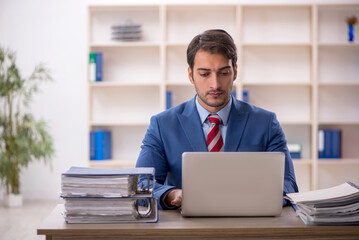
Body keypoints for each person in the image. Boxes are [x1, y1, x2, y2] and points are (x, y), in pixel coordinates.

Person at [136, 29, 298, 210]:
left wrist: (247, 196)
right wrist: (172, 194)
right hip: (186, 229)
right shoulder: (162, 124)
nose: (215, 84)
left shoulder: (266, 123)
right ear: (191, 75)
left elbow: (289, 185)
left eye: (223, 73)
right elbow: (142, 184)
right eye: (205, 74)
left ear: (234, 72)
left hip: (250, 225)